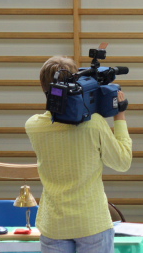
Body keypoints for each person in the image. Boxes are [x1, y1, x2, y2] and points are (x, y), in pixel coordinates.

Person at [25, 56, 132, 253]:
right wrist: (119, 113)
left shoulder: (33, 126)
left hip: (54, 224)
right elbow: (123, 161)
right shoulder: (94, 124)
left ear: (43, 87)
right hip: (92, 223)